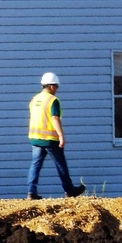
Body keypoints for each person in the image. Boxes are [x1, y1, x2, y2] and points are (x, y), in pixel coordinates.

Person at [27, 72, 86, 200]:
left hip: (35, 138)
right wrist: (61, 136)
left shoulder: (34, 99)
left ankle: (31, 192)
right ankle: (69, 190)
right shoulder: (53, 100)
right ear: (52, 86)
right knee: (61, 164)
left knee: (35, 164)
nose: (57, 90)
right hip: (50, 139)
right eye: (56, 87)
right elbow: (54, 118)